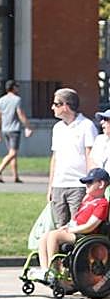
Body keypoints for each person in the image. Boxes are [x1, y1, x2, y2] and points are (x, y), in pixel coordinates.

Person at [33, 167, 109, 282]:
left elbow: (91, 226)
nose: (86, 185)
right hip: (75, 230)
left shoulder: (102, 204)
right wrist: (68, 226)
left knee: (54, 236)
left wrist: (72, 230)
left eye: (89, 182)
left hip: (85, 235)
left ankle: (53, 271)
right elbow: (76, 218)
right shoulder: (88, 200)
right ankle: (45, 270)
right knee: (45, 236)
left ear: (101, 184)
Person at [47, 87, 96, 228]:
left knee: (77, 226)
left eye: (56, 104)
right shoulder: (57, 128)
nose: (52, 107)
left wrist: (90, 184)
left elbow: (90, 156)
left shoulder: (87, 126)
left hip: (78, 185)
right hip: (59, 185)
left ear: (66, 106)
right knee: (59, 226)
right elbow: (55, 157)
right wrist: (50, 186)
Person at [0, 80, 32, 183]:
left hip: (5, 129)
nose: (18, 89)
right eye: (17, 87)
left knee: (12, 154)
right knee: (13, 153)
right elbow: (20, 114)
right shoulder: (17, 99)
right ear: (13, 88)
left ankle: (15, 176)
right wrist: (27, 126)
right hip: (14, 129)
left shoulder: (1, 100)